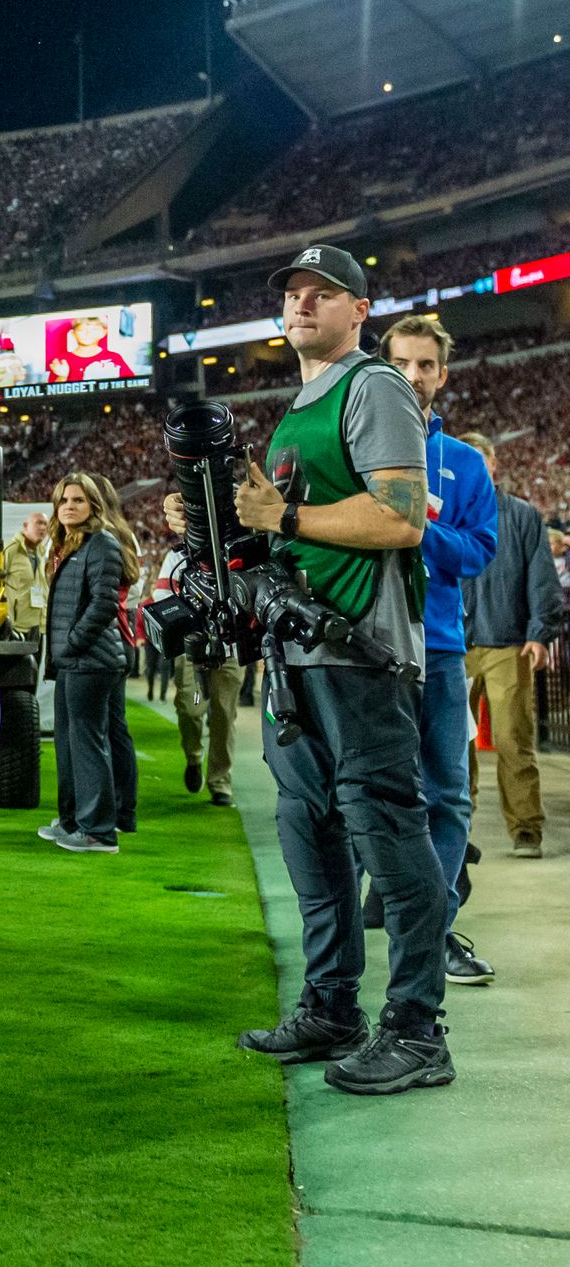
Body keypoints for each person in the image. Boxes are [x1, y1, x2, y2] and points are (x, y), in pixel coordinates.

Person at [175, 245, 448, 1097]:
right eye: (292, 294)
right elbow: (296, 535)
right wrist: (227, 528)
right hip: (299, 652)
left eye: (320, 293)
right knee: (311, 838)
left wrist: (282, 511)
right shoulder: (300, 405)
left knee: (388, 838)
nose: (300, 304)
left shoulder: (374, 387)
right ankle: (333, 1007)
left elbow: (402, 519)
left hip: (361, 651)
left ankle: (418, 1030)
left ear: (358, 309)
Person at [381, 316, 497, 987]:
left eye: (425, 366)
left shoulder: (465, 463)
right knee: (372, 794)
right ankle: (381, 920)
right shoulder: (354, 451)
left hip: (443, 650)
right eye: (402, 364)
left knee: (449, 797)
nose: (414, 377)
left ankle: (436, 930)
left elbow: (479, 552)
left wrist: (417, 526)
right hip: (370, 647)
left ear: (442, 374)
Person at [460, 433, 558, 859]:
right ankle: (456, 831)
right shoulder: (446, 515)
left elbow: (542, 578)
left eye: (480, 461)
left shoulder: (521, 516)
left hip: (508, 644)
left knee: (514, 738)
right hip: (454, 646)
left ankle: (526, 830)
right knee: (453, 746)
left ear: (494, 464)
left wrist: (539, 634)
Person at [36, 475, 132, 854]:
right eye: (63, 500)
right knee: (68, 741)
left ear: (93, 504)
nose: (69, 506)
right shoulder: (72, 545)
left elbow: (104, 603)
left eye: (78, 500)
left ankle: (98, 831)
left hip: (91, 661)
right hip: (73, 661)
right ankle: (74, 821)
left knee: (88, 742)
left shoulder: (102, 544)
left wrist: (73, 642)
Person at [151, 546, 240, 807]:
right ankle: (193, 756)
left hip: (229, 649)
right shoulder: (178, 555)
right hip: (193, 649)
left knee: (224, 714)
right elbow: (161, 595)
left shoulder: (236, 551)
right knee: (190, 709)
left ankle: (220, 782)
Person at [87, 472, 141, 834]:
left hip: (99, 639)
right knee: (116, 727)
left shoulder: (95, 539)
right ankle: (125, 811)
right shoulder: (127, 537)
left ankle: (100, 812)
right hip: (123, 637)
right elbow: (133, 596)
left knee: (91, 729)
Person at [0, 510, 49, 637]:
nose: (43, 528)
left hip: (39, 625)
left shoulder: (41, 552)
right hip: (16, 626)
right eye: (38, 523)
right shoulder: (11, 550)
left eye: (45, 525)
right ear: (25, 526)